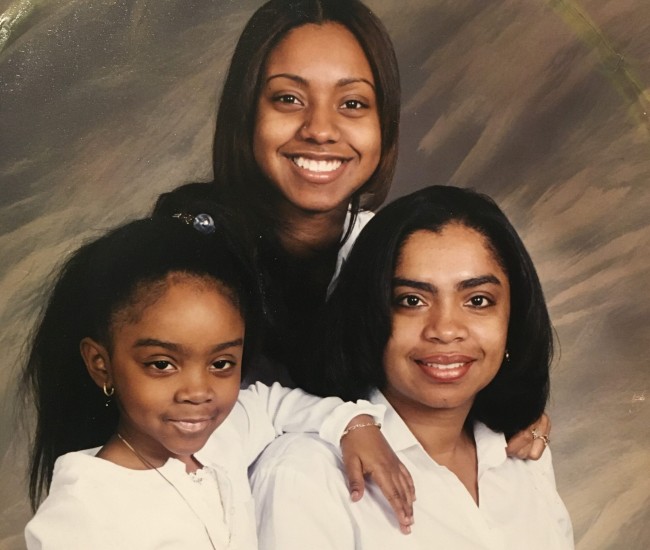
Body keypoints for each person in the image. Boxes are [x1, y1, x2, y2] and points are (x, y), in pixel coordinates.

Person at [154, 0, 549, 459]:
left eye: (353, 103)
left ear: (384, 123)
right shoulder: (184, 251)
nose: (321, 129)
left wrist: (510, 410)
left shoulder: (388, 250)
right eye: (288, 99)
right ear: (246, 113)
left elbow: (440, 379)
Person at [21, 205, 416, 549]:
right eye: (162, 364)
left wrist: (353, 424)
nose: (198, 391)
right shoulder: (83, 513)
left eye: (222, 363)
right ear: (101, 364)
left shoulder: (223, 437)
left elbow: (271, 403)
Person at [250, 185, 574, 549]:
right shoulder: (308, 472)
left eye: (478, 300)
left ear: (513, 320)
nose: (446, 329)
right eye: (412, 300)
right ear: (368, 314)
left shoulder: (525, 457)